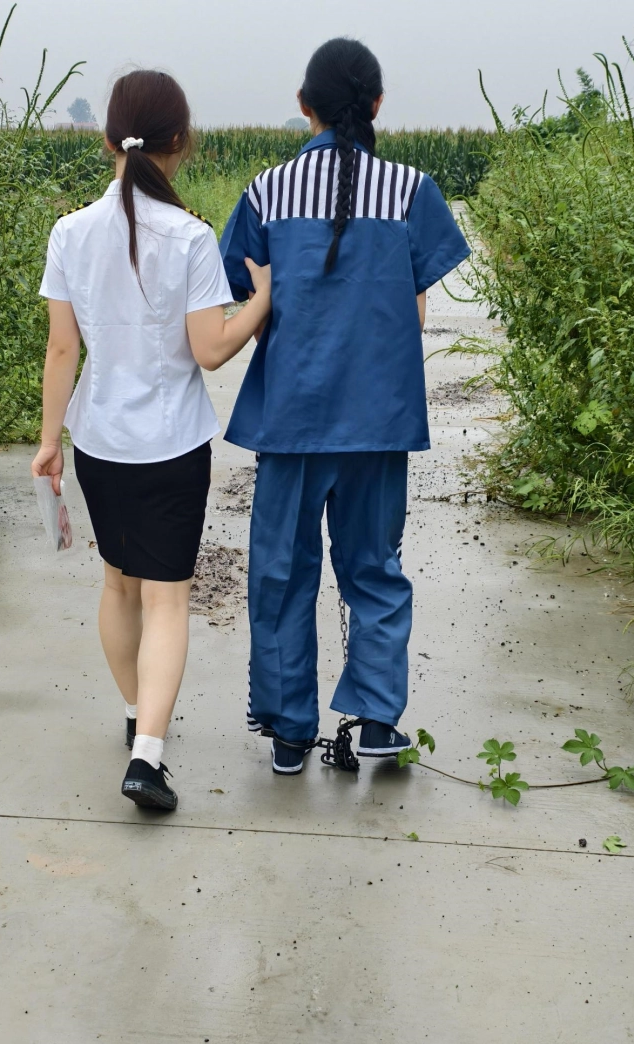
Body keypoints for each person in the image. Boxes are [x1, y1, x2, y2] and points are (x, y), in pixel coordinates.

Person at [219, 38, 470, 775]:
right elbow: (414, 311)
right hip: (379, 419)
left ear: (304, 105)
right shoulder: (412, 190)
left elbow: (250, 299)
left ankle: (290, 730)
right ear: (377, 105)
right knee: (374, 568)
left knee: (280, 573)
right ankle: (380, 718)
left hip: (292, 418)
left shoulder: (266, 193)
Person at [32, 70, 271, 810]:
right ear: (181, 142)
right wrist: (262, 302)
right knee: (168, 601)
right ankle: (148, 757)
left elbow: (62, 350)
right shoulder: (192, 237)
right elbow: (210, 349)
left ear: (108, 140)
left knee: (118, 585)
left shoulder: (70, 232)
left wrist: (48, 441)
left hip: (99, 442)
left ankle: (138, 713)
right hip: (171, 446)